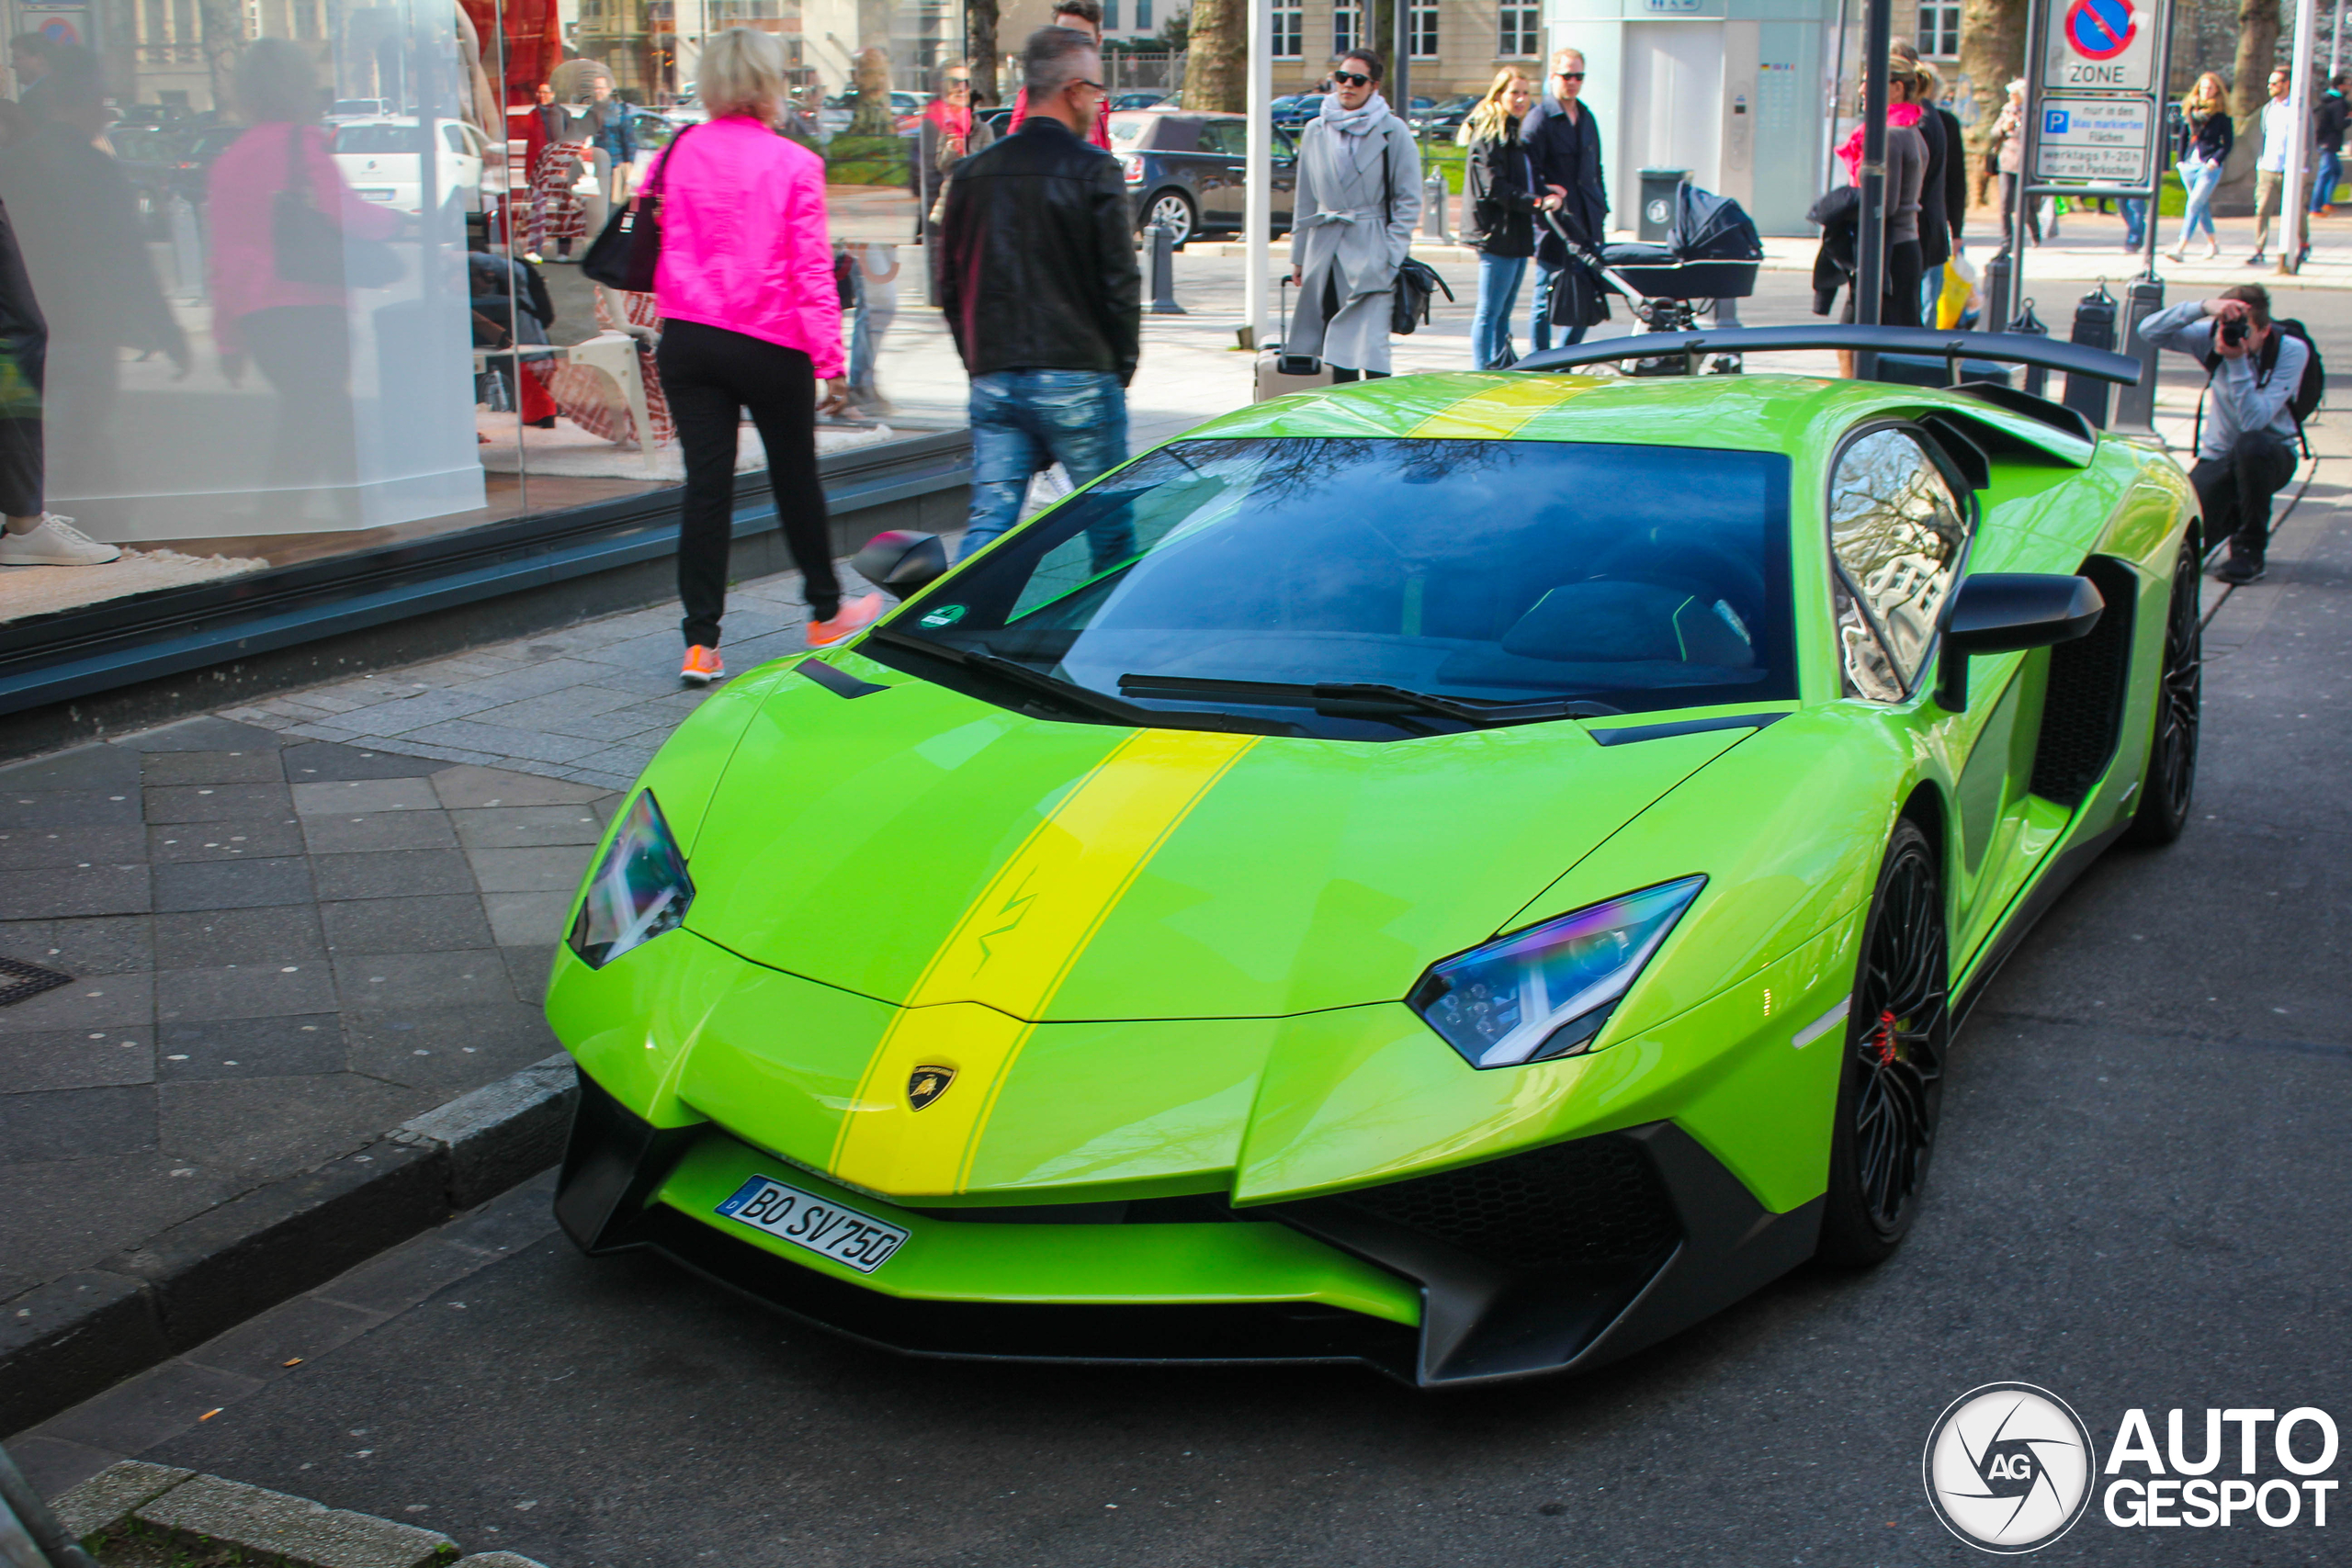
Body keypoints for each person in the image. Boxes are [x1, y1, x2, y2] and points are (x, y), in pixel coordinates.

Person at [646, 28, 868, 682]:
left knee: (706, 488)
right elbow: (810, 271)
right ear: (770, 84)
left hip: (689, 334)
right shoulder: (795, 164)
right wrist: (830, 361)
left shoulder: (676, 152)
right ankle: (825, 612)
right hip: (769, 337)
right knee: (794, 475)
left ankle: (700, 643)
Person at [938, 26, 1136, 564]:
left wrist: (980, 361)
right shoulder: (1095, 170)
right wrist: (1118, 371)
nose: (1099, 103)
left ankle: (951, 631)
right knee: (1110, 530)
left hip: (996, 375)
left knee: (990, 523)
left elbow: (950, 288)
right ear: (1074, 90)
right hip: (1078, 372)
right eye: (1097, 91)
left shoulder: (973, 173)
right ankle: (1110, 645)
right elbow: (1120, 285)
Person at [205, 39, 400, 529]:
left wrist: (228, 338)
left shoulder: (229, 160)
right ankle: (297, 526)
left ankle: (354, 523)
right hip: (311, 308)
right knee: (320, 417)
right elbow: (345, 213)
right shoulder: (302, 144)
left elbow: (221, 258)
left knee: (321, 414)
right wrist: (401, 224)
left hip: (257, 315)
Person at [2138, 285, 2308, 584]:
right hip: (2218, 457)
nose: (2231, 334)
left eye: (2245, 329)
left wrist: (2236, 360)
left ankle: (2249, 550)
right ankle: (2228, 521)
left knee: (2251, 446)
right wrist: (2203, 307)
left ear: (2265, 331)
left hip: (2271, 455)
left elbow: (2253, 421)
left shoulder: (2290, 351)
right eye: (2226, 325)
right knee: (2185, 544)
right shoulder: (2212, 335)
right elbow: (2149, 331)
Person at [1287, 48, 1419, 382]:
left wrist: (1391, 254)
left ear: (1373, 85)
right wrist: (1299, 256)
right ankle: (1344, 430)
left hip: (1372, 248)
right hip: (1326, 252)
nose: (1347, 85)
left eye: (1358, 80)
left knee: (1373, 349)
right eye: (1341, 78)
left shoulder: (1393, 131)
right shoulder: (1316, 130)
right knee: (1337, 350)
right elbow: (1305, 198)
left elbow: (1409, 199)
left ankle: (1379, 429)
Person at [1459, 68, 1554, 370]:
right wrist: (1536, 202)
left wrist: (1542, 193)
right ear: (1499, 95)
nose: (1521, 99)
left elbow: (1519, 180)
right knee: (1489, 312)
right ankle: (1482, 372)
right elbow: (1494, 187)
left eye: (1526, 93)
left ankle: (1499, 370)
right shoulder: (1489, 135)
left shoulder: (1514, 134)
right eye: (1515, 92)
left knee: (1503, 312)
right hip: (1496, 234)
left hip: (1515, 233)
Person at [1833, 62, 1927, 329]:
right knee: (1896, 339)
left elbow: (1882, 205)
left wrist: (1838, 208)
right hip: (1900, 246)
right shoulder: (1908, 127)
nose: (1862, 89)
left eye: (1870, 82)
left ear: (1897, 89)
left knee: (1855, 338)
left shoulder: (1890, 135)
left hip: (1887, 250)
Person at [1523, 47, 1605, 353]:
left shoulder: (1586, 116)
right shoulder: (1539, 120)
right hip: (1554, 224)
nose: (1573, 82)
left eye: (1578, 76)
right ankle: (1540, 363)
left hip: (1587, 219)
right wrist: (1546, 197)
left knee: (1587, 292)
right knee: (1546, 296)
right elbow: (1530, 174)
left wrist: (1602, 205)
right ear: (1552, 77)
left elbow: (1596, 168)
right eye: (1567, 75)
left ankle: (1566, 360)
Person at [1008, 0, 1112, 150]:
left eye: (1082, 39)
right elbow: (1016, 151)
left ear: (1098, 41)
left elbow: (1103, 148)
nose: (1072, 47)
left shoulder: (1098, 94)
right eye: (1063, 39)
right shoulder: (1036, 94)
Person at [918, 60, 994, 227]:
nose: (960, 92)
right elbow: (941, 166)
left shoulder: (983, 130)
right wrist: (951, 149)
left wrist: (966, 152)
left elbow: (989, 165)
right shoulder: (944, 128)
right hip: (950, 198)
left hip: (976, 199)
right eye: (955, 92)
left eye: (964, 90)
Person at [2170, 73, 2232, 261]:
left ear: (2217, 92)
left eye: (2210, 88)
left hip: (2208, 166)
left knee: (2194, 203)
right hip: (2190, 164)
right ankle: (2213, 244)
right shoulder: (2191, 112)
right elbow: (2183, 137)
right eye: (2204, 88)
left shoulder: (2221, 116)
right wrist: (2180, 161)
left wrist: (2216, 160)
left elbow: (2228, 143)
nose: (2206, 92)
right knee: (2200, 206)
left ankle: (2181, 247)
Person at [2249, 67, 2295, 265]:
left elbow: (2307, 137)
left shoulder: (2297, 108)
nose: (2270, 87)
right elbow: (2263, 134)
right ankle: (2259, 248)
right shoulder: (2269, 108)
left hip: (2290, 167)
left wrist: (2304, 166)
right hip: (2268, 166)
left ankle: (2302, 243)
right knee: (2262, 209)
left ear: (2286, 84)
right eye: (2270, 83)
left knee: (2295, 211)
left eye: (2275, 83)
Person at [1990, 79, 2038, 246]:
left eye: (2014, 94)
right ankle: (2007, 240)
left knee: (2026, 205)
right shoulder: (2007, 111)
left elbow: (2035, 134)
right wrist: (2004, 127)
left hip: (2026, 163)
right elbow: (1994, 132)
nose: (2011, 97)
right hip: (2007, 161)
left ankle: (2035, 233)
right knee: (2005, 204)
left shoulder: (2033, 112)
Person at [581, 73, 636, 207]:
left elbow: (629, 141)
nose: (598, 91)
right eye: (596, 88)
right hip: (599, 168)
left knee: (615, 205)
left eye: (601, 88)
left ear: (609, 90)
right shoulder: (592, 112)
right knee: (601, 206)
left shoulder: (619, 112)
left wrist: (630, 166)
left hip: (615, 167)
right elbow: (582, 134)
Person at [2312, 73, 2346, 218]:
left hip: (2324, 141)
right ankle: (2316, 207)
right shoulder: (2338, 103)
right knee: (2325, 174)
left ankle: (2326, 202)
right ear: (2340, 85)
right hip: (2329, 143)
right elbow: (2339, 124)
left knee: (2336, 171)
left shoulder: (2325, 100)